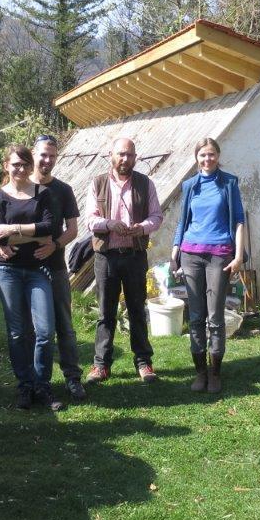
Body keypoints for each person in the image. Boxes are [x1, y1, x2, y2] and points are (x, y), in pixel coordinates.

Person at [83, 138, 163, 385]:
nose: (125, 159)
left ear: (135, 157)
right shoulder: (98, 183)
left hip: (134, 255)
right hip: (106, 256)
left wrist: (141, 228)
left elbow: (156, 216)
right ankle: (101, 365)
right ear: (111, 155)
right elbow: (89, 220)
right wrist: (110, 224)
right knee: (105, 312)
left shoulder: (145, 183)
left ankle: (144, 362)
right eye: (120, 154)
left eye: (129, 155)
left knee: (137, 309)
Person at [0, 145, 61, 411]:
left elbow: (50, 229)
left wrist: (14, 228)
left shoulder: (43, 194)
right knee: (18, 332)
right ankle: (25, 386)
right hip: (7, 271)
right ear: (6, 166)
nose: (20, 169)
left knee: (45, 331)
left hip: (37, 270)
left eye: (25, 164)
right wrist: (32, 234)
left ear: (31, 167)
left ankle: (42, 385)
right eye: (15, 164)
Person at [171, 138, 246, 394]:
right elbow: (183, 221)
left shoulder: (229, 183)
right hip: (190, 255)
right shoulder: (189, 185)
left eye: (211, 154)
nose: (207, 159)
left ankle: (215, 373)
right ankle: (200, 373)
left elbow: (239, 221)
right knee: (195, 317)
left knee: (215, 317)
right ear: (196, 157)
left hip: (219, 256)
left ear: (218, 155)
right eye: (202, 155)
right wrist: (175, 250)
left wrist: (238, 256)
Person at [29, 135, 86, 402]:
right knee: (34, 330)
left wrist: (55, 245)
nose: (47, 160)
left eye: (52, 156)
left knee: (64, 325)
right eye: (43, 154)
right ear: (33, 154)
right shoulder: (21, 187)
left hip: (55, 267)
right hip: (24, 269)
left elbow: (73, 229)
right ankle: (37, 382)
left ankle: (72, 378)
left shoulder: (63, 190)